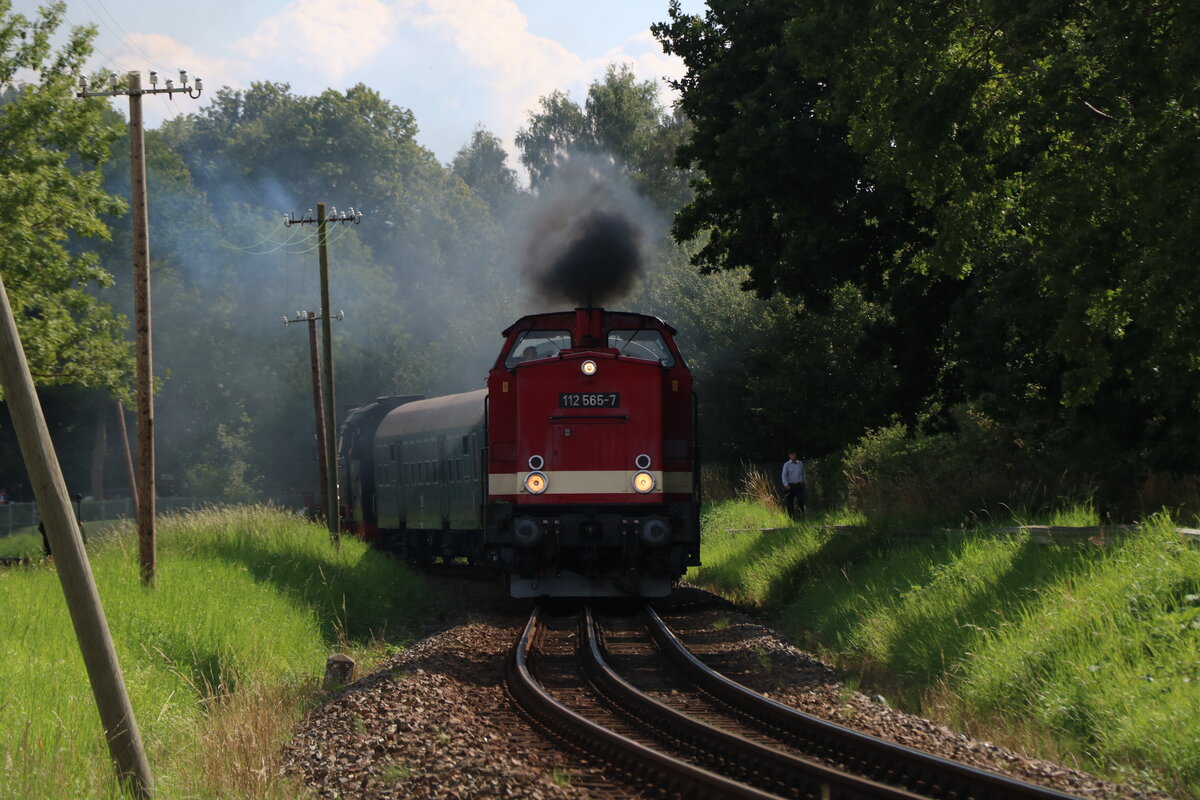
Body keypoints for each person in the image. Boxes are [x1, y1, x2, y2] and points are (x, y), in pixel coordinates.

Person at [781, 450, 806, 519]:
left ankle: (801, 517)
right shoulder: (786, 465)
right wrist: (786, 484)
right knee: (790, 503)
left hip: (799, 485)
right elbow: (784, 475)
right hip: (790, 486)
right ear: (789, 455)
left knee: (801, 501)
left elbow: (803, 474)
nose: (793, 456)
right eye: (791, 454)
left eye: (794, 454)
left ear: (796, 455)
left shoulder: (800, 464)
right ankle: (791, 518)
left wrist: (804, 483)